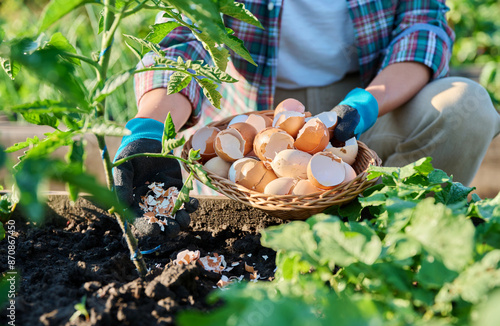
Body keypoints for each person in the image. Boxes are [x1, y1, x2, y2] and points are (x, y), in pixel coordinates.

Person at [113, 0, 500, 235]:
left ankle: (395, 241)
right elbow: (187, 39)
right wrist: (150, 125)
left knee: (466, 107)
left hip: (370, 96)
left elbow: (423, 26)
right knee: (253, 207)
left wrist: (363, 104)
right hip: (252, 115)